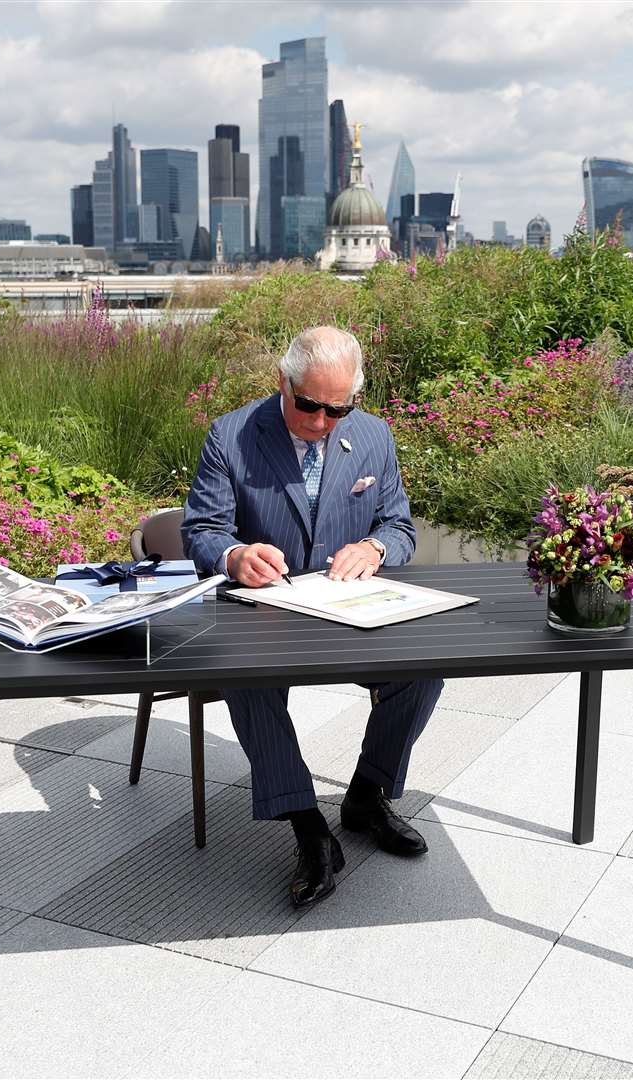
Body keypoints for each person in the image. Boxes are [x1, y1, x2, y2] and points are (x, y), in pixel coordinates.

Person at [182, 326, 443, 908]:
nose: (323, 421)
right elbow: (201, 529)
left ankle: (367, 795)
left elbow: (398, 526)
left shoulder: (373, 436)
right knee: (248, 682)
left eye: (337, 408)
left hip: (343, 608)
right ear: (284, 382)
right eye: (309, 405)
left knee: (424, 669)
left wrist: (374, 549)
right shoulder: (232, 436)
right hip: (262, 613)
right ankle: (307, 826)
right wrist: (234, 555)